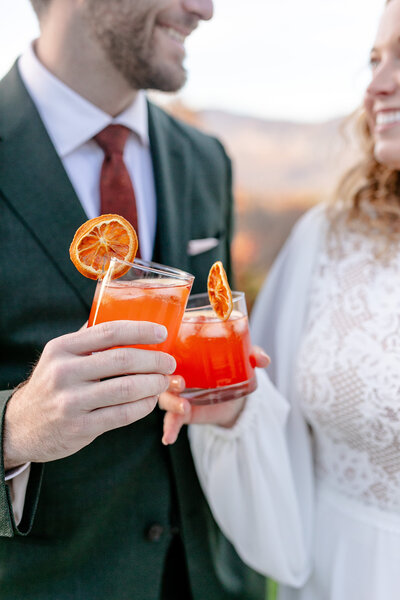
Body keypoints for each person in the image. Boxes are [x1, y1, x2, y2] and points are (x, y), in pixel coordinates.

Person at [0, 0, 267, 598]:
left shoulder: (205, 160)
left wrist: (223, 394)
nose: (205, 9)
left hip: (210, 580)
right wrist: (13, 430)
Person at [160, 0, 400, 598]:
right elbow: (272, 430)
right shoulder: (331, 238)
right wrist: (235, 414)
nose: (376, 85)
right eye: (374, 60)